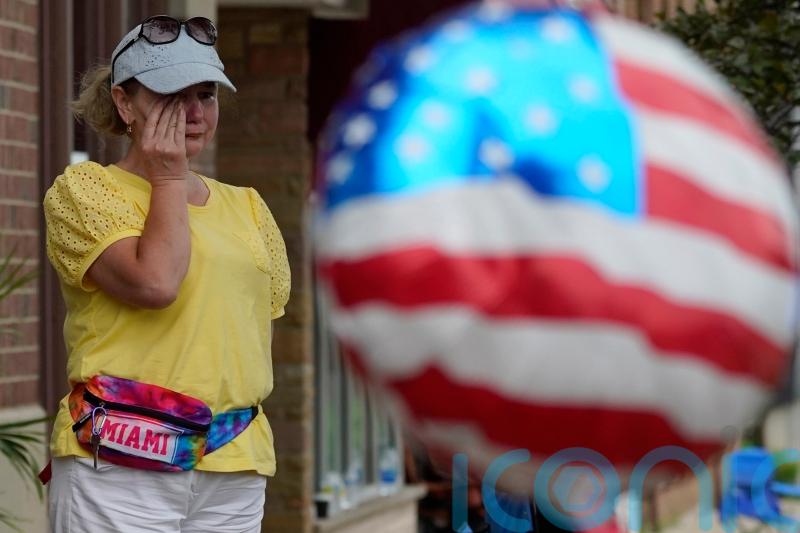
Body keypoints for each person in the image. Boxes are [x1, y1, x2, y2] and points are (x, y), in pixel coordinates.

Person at [42, 15, 290, 532]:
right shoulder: (84, 190)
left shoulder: (248, 206)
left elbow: (250, 334)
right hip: (119, 461)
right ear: (124, 102)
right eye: (171, 94)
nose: (193, 112)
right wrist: (170, 176)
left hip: (233, 462)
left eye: (207, 94)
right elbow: (155, 284)